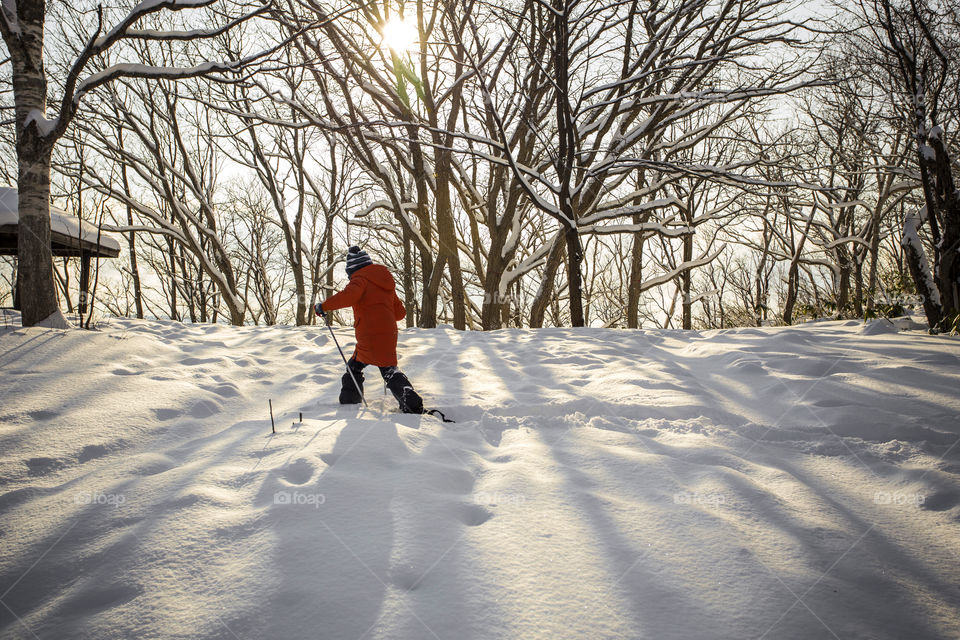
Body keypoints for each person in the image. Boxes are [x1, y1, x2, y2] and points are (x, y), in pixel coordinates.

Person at [315, 246, 425, 414]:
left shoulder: (360, 279)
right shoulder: (385, 282)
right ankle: (350, 401)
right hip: (389, 334)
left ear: (352, 269)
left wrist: (324, 306)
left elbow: (348, 296)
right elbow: (400, 314)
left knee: (382, 369)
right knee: (359, 365)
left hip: (370, 335)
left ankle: (411, 404)